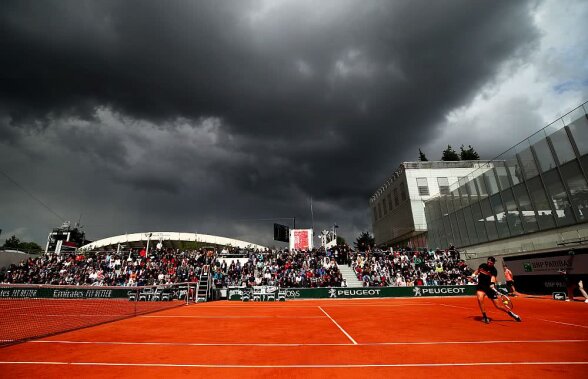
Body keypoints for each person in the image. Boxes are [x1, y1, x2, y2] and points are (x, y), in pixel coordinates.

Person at [473, 256, 521, 324]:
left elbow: (493, 278)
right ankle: (485, 317)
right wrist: (473, 275)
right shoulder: (482, 265)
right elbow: (477, 271)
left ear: (493, 263)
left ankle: (511, 313)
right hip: (481, 286)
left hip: (489, 288)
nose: (489, 263)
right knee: (480, 299)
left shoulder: (494, 270)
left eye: (491, 262)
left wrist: (492, 284)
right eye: (488, 262)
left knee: (498, 306)